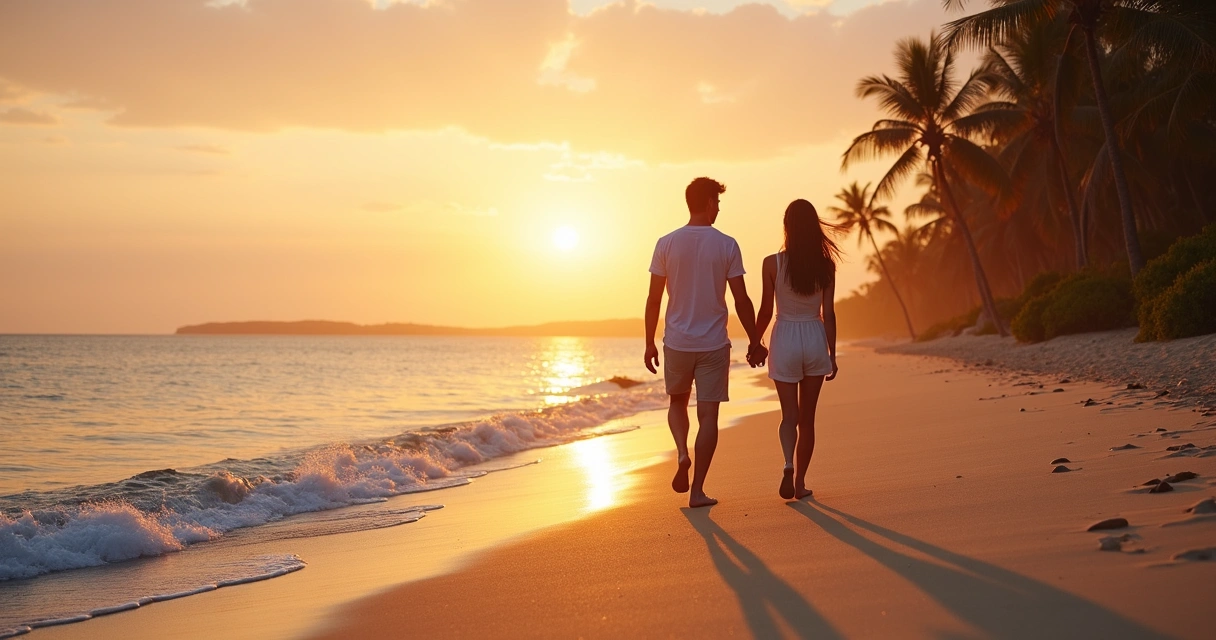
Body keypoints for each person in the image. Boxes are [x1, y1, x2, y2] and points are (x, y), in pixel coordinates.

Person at [644, 177, 767, 509]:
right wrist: (755, 339)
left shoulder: (666, 243)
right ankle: (697, 490)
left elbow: (654, 300)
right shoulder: (726, 244)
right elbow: (741, 300)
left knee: (677, 403)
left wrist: (649, 342)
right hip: (713, 343)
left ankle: (683, 453)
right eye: (717, 202)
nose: (718, 208)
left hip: (678, 342)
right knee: (708, 417)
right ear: (709, 202)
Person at [754, 199, 841, 500]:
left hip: (785, 337)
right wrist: (833, 353)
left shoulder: (772, 264)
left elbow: (765, 311)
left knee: (789, 415)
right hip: (814, 336)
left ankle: (788, 463)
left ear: (787, 227)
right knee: (808, 419)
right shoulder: (826, 266)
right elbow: (828, 314)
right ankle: (800, 483)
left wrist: (755, 342)